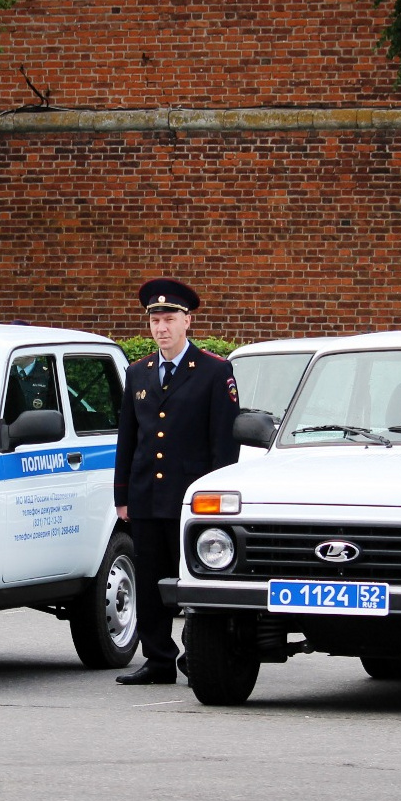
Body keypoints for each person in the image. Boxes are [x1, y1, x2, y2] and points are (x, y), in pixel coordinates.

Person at [114, 278, 241, 684]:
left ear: (188, 321)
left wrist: (217, 497)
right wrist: (123, 496)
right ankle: (158, 659)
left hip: (192, 499)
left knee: (193, 581)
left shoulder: (214, 371)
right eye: (155, 320)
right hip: (148, 495)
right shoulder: (138, 373)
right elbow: (128, 439)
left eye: (169, 319)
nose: (161, 328)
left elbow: (224, 445)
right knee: (151, 582)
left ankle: (197, 653)